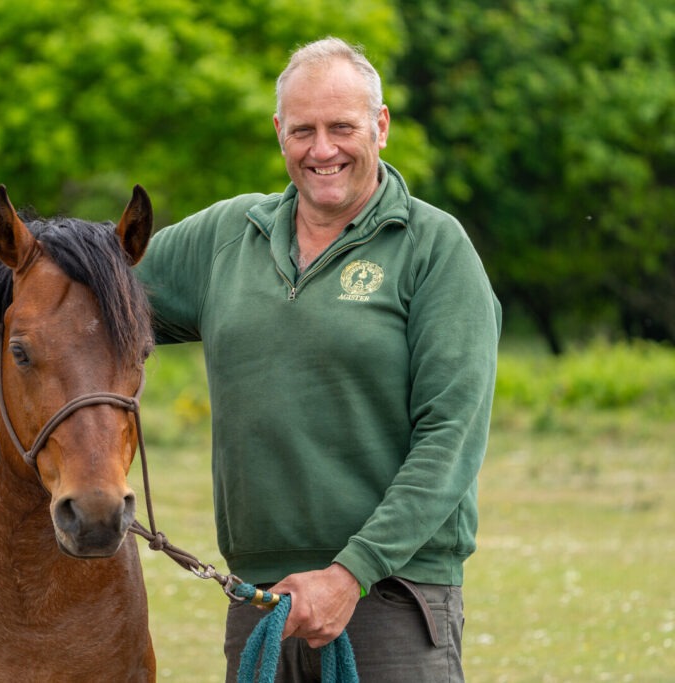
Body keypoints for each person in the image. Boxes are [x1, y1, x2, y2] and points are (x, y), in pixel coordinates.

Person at [134, 37, 501, 682]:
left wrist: (350, 573)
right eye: (303, 130)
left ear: (380, 126)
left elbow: (452, 437)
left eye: (342, 127)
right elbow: (85, 294)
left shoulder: (434, 248)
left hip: (393, 597)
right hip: (261, 601)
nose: (322, 149)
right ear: (279, 132)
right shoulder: (227, 235)